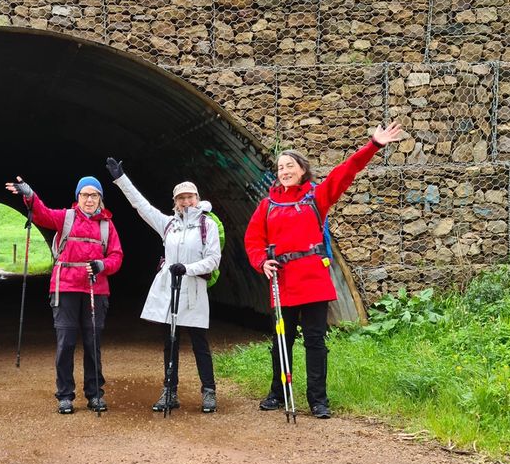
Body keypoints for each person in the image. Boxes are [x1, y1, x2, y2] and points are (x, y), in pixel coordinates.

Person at [244, 122, 405, 419]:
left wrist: (373, 146)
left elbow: (345, 172)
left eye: (290, 166)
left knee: (315, 339)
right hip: (283, 280)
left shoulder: (316, 197)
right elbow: (253, 240)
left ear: (303, 170)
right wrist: (261, 262)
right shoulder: (267, 205)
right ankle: (278, 393)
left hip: (313, 280)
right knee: (283, 339)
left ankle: (318, 399)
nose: (284, 171)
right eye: (280, 167)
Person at [106, 157, 221, 414]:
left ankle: (209, 391)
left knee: (199, 342)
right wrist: (120, 179)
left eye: (190, 197)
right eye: (181, 198)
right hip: (171, 291)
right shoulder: (168, 224)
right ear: (175, 202)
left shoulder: (208, 225)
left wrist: (188, 269)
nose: (185, 201)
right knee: (170, 342)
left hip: (193, 291)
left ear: (197, 198)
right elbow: (141, 206)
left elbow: (213, 260)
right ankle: (170, 391)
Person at [5, 174, 123, 414]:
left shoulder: (107, 225)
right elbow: (43, 214)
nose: (89, 200)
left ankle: (94, 394)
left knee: (93, 344)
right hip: (66, 288)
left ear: (101, 198)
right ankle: (65, 395)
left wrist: (103, 265)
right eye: (85, 195)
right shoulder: (66, 218)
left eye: (94, 195)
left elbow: (116, 256)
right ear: (77, 197)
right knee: (66, 342)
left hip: (95, 290)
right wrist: (30, 195)